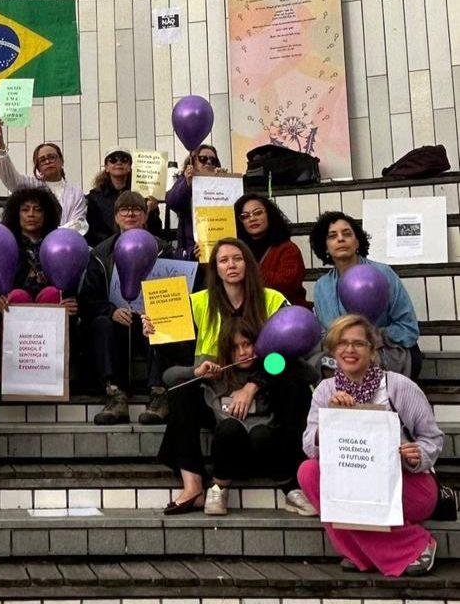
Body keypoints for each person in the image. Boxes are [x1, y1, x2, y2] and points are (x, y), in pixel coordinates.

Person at [298, 314, 443, 576]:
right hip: (354, 484)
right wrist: (332, 419)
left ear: (372, 350)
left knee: (355, 492)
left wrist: (417, 453)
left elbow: (432, 438)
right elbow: (309, 444)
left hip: (405, 485)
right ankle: (364, 553)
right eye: (342, 343)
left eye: (358, 344)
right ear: (333, 350)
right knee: (308, 472)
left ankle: (417, 545)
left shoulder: (398, 386)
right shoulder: (325, 391)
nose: (349, 350)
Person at [159, 320, 315, 517]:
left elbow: (311, 374)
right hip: (228, 450)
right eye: (235, 347)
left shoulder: (268, 368)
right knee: (229, 427)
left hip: (266, 446)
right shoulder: (218, 369)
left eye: (247, 344)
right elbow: (169, 378)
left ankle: (290, 487)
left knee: (262, 433)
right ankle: (218, 489)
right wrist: (197, 372)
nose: (242, 352)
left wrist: (274, 359)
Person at [79, 191, 190, 425]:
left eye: (137, 209)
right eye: (124, 210)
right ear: (116, 217)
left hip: (148, 319)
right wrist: (111, 311)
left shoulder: (162, 249)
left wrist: (155, 309)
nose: (130, 213)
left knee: (162, 320)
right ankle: (115, 394)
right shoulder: (100, 253)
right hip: (117, 321)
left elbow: (173, 293)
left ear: (145, 216)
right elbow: (89, 299)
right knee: (101, 323)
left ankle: (159, 393)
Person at [310, 211, 421, 379]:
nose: (341, 239)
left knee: (358, 368)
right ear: (325, 247)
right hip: (344, 356)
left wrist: (373, 338)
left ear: (357, 242)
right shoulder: (321, 286)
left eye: (347, 234)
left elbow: (409, 328)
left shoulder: (382, 273)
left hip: (386, 351)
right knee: (315, 366)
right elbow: (326, 335)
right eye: (332, 236)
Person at [0, 187, 72, 379]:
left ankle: (55, 377)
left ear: (47, 214)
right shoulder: (2, 244)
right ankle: (9, 376)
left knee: (52, 294)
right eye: (25, 209)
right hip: (12, 318)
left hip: (51, 317)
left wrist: (70, 301)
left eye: (38, 209)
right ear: (15, 213)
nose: (31, 214)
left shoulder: (59, 245)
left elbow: (71, 284)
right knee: (17, 296)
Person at [0, 117, 88, 235]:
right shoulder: (29, 186)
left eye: (52, 157)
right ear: (38, 167)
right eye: (42, 160)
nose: (47, 162)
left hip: (65, 246)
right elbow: (7, 173)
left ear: (61, 161)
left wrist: (54, 236)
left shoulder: (75, 191)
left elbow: (78, 223)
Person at [234, 193, 307, 307]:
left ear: (270, 215)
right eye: (245, 216)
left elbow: (287, 286)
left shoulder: (288, 249)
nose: (252, 218)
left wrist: (250, 268)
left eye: (258, 213)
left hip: (286, 317)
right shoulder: (237, 251)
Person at [164, 143, 226, 259]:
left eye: (213, 160)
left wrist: (223, 182)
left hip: (220, 248)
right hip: (193, 251)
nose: (208, 162)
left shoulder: (221, 179)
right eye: (203, 159)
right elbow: (172, 202)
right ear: (193, 162)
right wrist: (187, 184)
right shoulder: (185, 180)